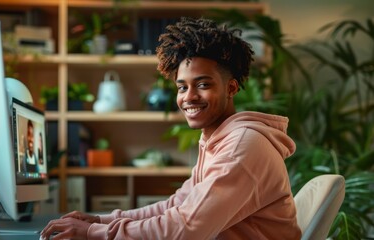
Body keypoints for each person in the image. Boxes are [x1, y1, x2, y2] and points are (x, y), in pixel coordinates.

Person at [40, 17, 301, 239]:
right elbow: (178, 205)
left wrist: (91, 233)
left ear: (231, 88)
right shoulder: (218, 139)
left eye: (203, 84)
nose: (188, 97)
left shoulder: (241, 147)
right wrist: (99, 220)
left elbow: (185, 229)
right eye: (182, 86)